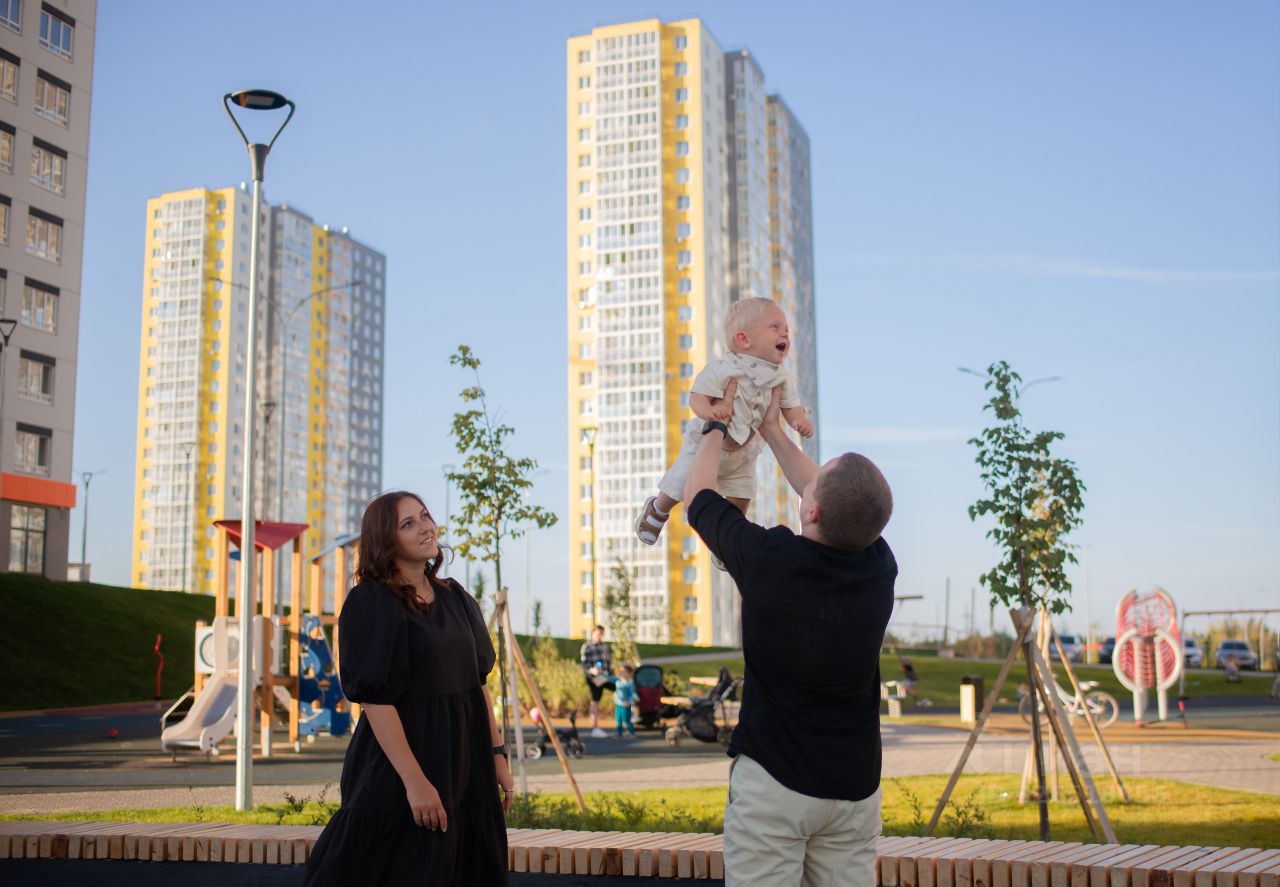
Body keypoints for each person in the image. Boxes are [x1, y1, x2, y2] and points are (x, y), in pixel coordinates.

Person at [684, 387, 896, 887]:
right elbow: (836, 502)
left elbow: (699, 500)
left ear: (812, 511)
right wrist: (773, 431)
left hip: (775, 783)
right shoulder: (878, 567)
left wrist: (715, 426)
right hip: (853, 788)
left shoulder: (772, 560)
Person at [303, 491, 512, 886]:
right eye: (408, 523)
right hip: (400, 766)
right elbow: (376, 702)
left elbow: (477, 684)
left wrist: (496, 753)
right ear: (386, 538)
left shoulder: (456, 597)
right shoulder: (370, 602)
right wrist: (415, 783)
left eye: (425, 516)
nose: (425, 527)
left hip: (465, 764)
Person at [635, 298, 814, 569]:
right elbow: (697, 396)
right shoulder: (725, 367)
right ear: (744, 339)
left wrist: (799, 420)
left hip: (744, 450)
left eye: (786, 329)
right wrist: (708, 412)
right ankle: (657, 509)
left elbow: (791, 407)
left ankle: (727, 541)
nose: (785, 334)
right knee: (681, 481)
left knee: (742, 495)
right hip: (707, 445)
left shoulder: (781, 377)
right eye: (775, 327)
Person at [580, 625, 615, 738]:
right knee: (595, 700)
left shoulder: (604, 646)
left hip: (606, 677)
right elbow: (584, 664)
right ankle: (595, 727)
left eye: (602, 634)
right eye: (599, 633)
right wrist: (592, 670)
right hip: (594, 678)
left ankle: (628, 718)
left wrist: (612, 672)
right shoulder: (587, 646)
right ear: (593, 633)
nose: (600, 636)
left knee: (619, 687)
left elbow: (608, 662)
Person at [613, 665, 638, 737]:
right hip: (619, 705)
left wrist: (629, 702)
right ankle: (619, 733)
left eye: (624, 671)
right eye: (621, 671)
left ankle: (632, 732)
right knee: (618, 720)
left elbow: (633, 694)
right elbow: (617, 694)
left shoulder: (630, 683)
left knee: (626, 720)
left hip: (626, 705)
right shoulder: (618, 682)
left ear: (629, 673)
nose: (622, 673)